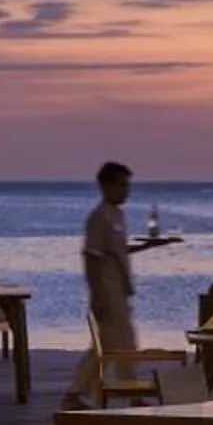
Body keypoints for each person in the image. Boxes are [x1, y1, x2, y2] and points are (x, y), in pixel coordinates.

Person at [76, 159, 136, 404]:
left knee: (123, 343)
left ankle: (129, 391)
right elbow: (91, 258)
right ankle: (77, 392)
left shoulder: (118, 216)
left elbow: (116, 251)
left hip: (119, 291)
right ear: (107, 186)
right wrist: (97, 296)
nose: (126, 190)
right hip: (106, 292)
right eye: (122, 185)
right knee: (110, 346)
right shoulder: (98, 218)